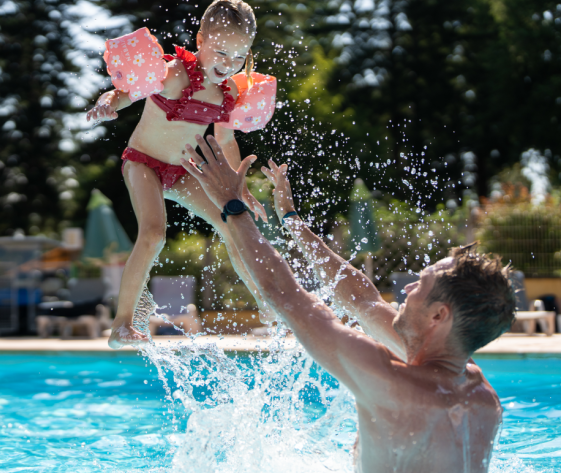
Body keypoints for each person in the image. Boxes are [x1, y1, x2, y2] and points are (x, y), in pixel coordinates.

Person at [179, 134, 516, 472]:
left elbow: (287, 297)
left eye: (422, 284)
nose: (408, 287)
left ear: (439, 315)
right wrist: (292, 220)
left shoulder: (388, 381)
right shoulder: (484, 399)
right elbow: (361, 299)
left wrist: (231, 205)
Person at [87, 0, 275, 348]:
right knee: (154, 233)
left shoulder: (227, 93)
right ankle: (122, 325)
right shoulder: (174, 74)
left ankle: (268, 308)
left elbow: (225, 139)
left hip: (184, 171)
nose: (228, 65)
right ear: (201, 39)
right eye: (221, 53)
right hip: (143, 162)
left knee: (233, 222)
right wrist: (108, 103)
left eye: (238, 58)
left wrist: (238, 186)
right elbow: (129, 92)